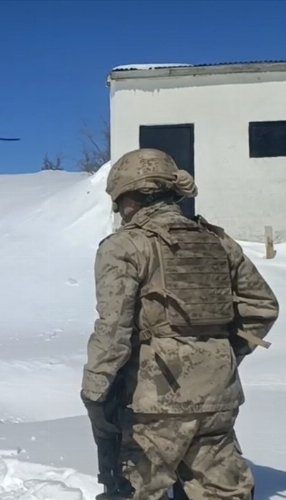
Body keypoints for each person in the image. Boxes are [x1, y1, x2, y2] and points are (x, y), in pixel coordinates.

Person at [81, 148, 279, 500]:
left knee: (142, 489)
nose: (119, 211)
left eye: (120, 201)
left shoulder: (124, 246)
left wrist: (95, 392)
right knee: (223, 490)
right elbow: (262, 306)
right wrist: (220, 352)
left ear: (132, 198)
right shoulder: (217, 241)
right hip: (219, 394)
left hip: (155, 400)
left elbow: (113, 330)